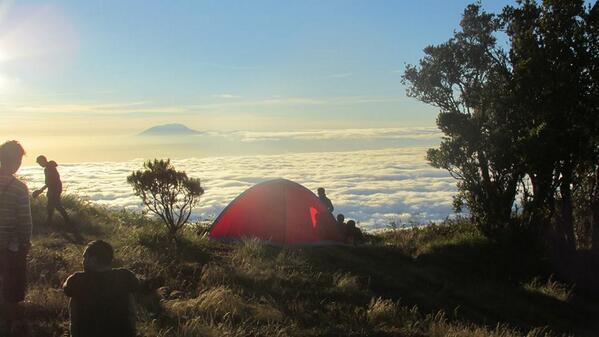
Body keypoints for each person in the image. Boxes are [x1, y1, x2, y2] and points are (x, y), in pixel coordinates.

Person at [63, 240, 139, 337]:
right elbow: (137, 285)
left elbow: (66, 289)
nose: (82, 261)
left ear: (93, 260)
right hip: (122, 333)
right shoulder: (124, 276)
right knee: (129, 294)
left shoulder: (77, 280)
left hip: (87, 333)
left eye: (84, 258)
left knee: (74, 298)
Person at [0, 141, 33, 335]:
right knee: (12, 288)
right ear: (16, 161)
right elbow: (25, 222)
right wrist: (25, 244)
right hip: (9, 248)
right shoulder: (19, 188)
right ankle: (11, 324)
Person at [33, 155, 72, 229]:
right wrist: (42, 190)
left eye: (39, 163)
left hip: (54, 189)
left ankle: (66, 223)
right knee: (52, 206)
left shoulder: (48, 168)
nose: (39, 164)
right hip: (55, 189)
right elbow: (50, 182)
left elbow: (50, 182)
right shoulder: (50, 167)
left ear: (43, 160)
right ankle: (54, 223)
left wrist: (41, 190)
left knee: (56, 206)